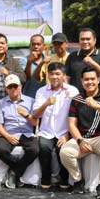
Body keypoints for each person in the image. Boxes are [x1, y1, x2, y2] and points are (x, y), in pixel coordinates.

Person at [60, 67, 100, 199]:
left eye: (92, 79)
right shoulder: (77, 99)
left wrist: (97, 105)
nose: (89, 82)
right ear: (81, 81)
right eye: (86, 79)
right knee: (65, 152)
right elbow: (71, 124)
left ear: (98, 80)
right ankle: (77, 180)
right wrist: (79, 141)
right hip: (83, 138)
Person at [31, 62, 78, 190]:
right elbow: (35, 115)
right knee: (44, 148)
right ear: (48, 76)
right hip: (46, 131)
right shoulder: (41, 91)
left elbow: (76, 114)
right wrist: (46, 103)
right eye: (51, 74)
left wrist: (67, 135)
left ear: (63, 75)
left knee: (61, 150)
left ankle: (64, 179)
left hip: (65, 131)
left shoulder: (72, 91)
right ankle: (46, 178)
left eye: (58, 74)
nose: (55, 77)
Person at [0, 74, 39, 189]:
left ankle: (15, 171)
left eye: (15, 86)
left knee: (35, 150)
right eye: (10, 87)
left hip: (27, 133)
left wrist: (26, 115)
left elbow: (35, 123)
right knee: (1, 149)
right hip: (9, 133)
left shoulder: (31, 101)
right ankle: (18, 167)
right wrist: (8, 136)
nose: (13, 89)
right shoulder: (0, 103)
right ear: (6, 89)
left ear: (20, 86)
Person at [23, 34, 47, 99]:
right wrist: (29, 62)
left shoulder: (48, 61)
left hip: (44, 98)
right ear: (30, 46)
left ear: (44, 46)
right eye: (33, 44)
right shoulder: (23, 60)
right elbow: (27, 78)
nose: (36, 47)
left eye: (38, 44)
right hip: (28, 98)